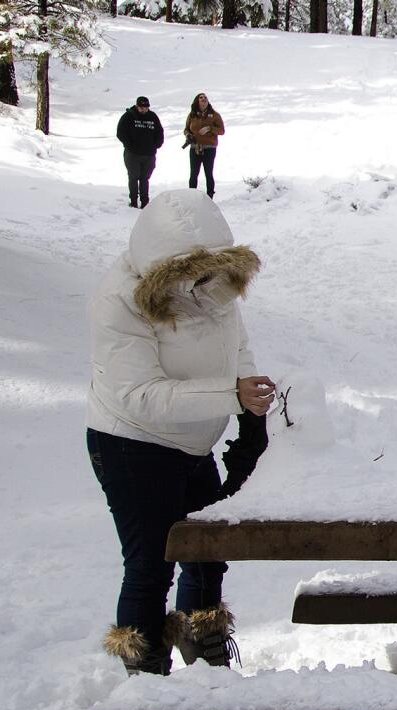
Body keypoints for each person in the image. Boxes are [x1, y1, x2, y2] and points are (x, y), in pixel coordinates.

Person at [87, 189, 275, 675]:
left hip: (193, 443)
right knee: (152, 565)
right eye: (190, 272)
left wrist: (251, 420)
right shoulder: (120, 302)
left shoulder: (215, 287)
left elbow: (240, 350)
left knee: (208, 553)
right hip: (132, 444)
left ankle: (206, 656)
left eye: (211, 269)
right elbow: (139, 395)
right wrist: (231, 396)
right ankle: (147, 693)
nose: (203, 283)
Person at [116, 96, 165, 209]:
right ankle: (133, 201)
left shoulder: (153, 117)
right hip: (133, 154)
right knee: (133, 177)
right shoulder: (129, 116)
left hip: (149, 154)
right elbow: (120, 132)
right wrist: (129, 145)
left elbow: (159, 132)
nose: (143, 109)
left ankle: (145, 202)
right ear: (137, 106)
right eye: (141, 107)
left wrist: (157, 144)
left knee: (145, 178)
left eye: (146, 107)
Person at [184, 92, 226, 199]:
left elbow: (222, 131)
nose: (204, 100)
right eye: (201, 98)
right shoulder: (192, 115)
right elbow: (186, 129)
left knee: (208, 173)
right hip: (195, 147)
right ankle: (192, 196)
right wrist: (188, 135)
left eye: (206, 98)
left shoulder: (215, 115)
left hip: (209, 148)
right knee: (193, 174)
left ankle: (210, 196)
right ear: (197, 101)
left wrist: (210, 128)